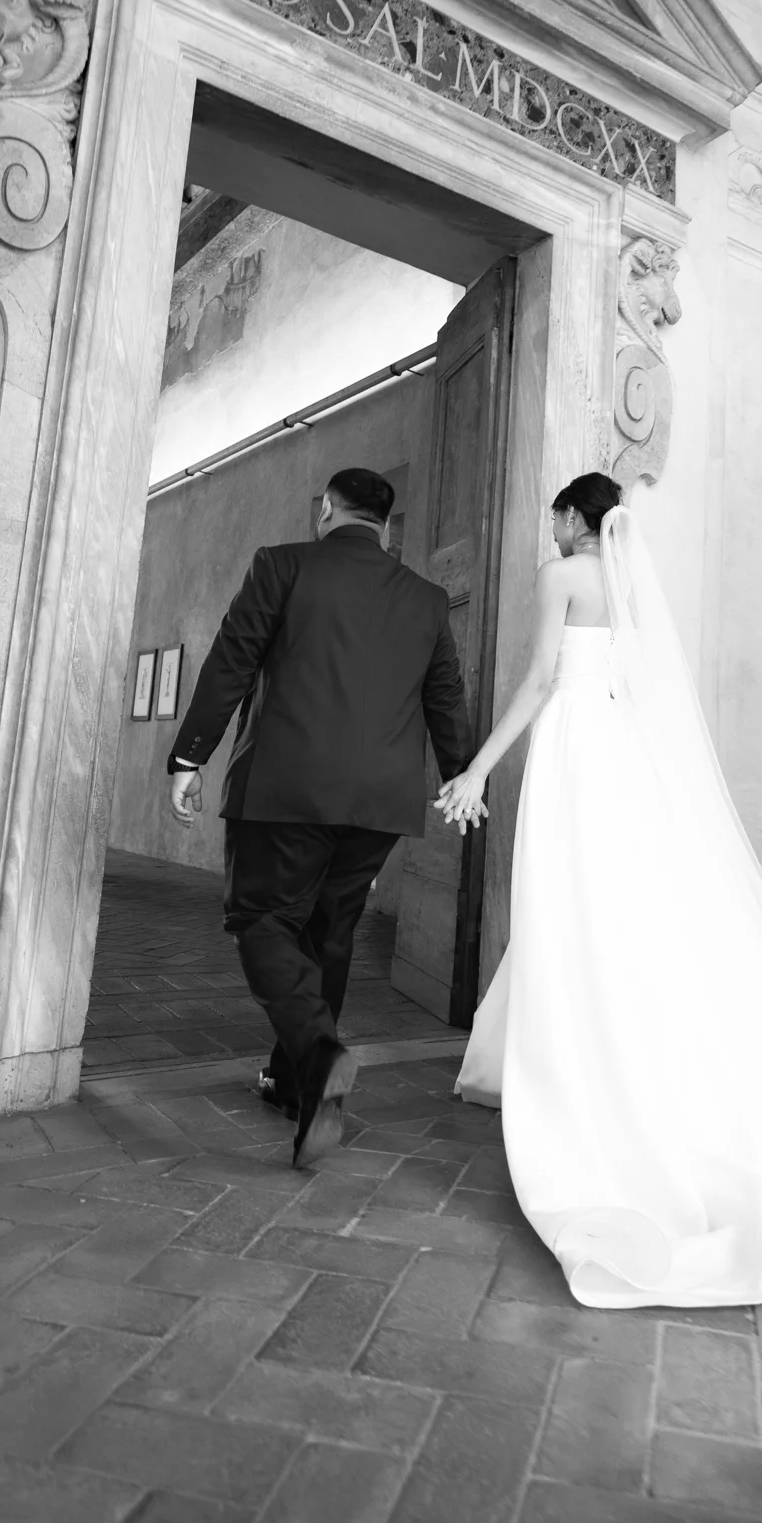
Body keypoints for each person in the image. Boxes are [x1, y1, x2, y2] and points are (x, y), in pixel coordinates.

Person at [438, 472, 762, 1309]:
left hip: (576, 751)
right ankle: (581, 1057)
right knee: (616, 916)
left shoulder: (565, 576)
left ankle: (582, 1079)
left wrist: (475, 769)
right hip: (623, 758)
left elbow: (541, 682)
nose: (551, 531)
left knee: (570, 913)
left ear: (574, 519)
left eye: (555, 518)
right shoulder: (634, 587)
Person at [168, 466, 472, 1169]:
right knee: (329, 934)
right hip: (378, 800)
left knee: (263, 920)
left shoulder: (282, 566)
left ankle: (317, 1051)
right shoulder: (425, 599)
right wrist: (459, 775)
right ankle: (294, 1085)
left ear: (325, 511)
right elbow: (444, 697)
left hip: (285, 785)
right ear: (387, 526)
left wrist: (190, 757)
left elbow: (231, 662)